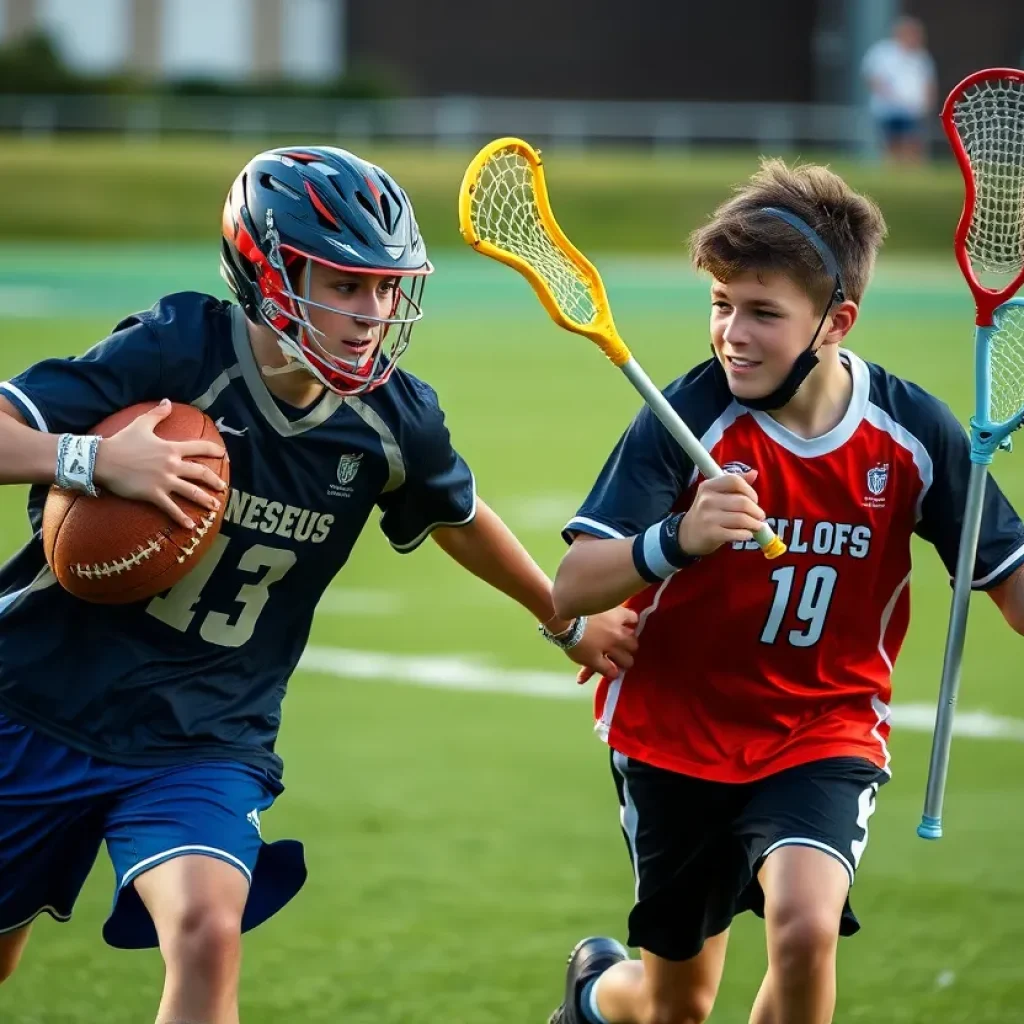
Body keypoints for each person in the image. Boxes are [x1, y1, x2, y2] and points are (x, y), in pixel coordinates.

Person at [0, 145, 638, 1023]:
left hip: (204, 734)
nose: (372, 312)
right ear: (267, 271)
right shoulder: (179, 348)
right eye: (344, 286)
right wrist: (96, 460)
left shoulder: (392, 417)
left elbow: (458, 515)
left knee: (205, 931)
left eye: (385, 287)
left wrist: (563, 619)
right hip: (32, 703)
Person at [546, 158, 1024, 1024]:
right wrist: (676, 541)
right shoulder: (685, 416)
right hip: (675, 733)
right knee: (673, 1006)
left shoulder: (915, 435)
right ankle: (593, 996)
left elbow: (1014, 590)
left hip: (822, 725)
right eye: (721, 305)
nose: (732, 332)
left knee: (804, 930)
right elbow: (572, 585)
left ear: (836, 321)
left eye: (763, 312)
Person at [861, 16, 937, 164]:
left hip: (913, 110)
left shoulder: (921, 58)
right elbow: (871, 76)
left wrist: (927, 104)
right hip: (888, 109)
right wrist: (888, 94)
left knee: (912, 143)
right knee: (891, 144)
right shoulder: (882, 52)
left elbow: (929, 84)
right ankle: (893, 172)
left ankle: (911, 174)